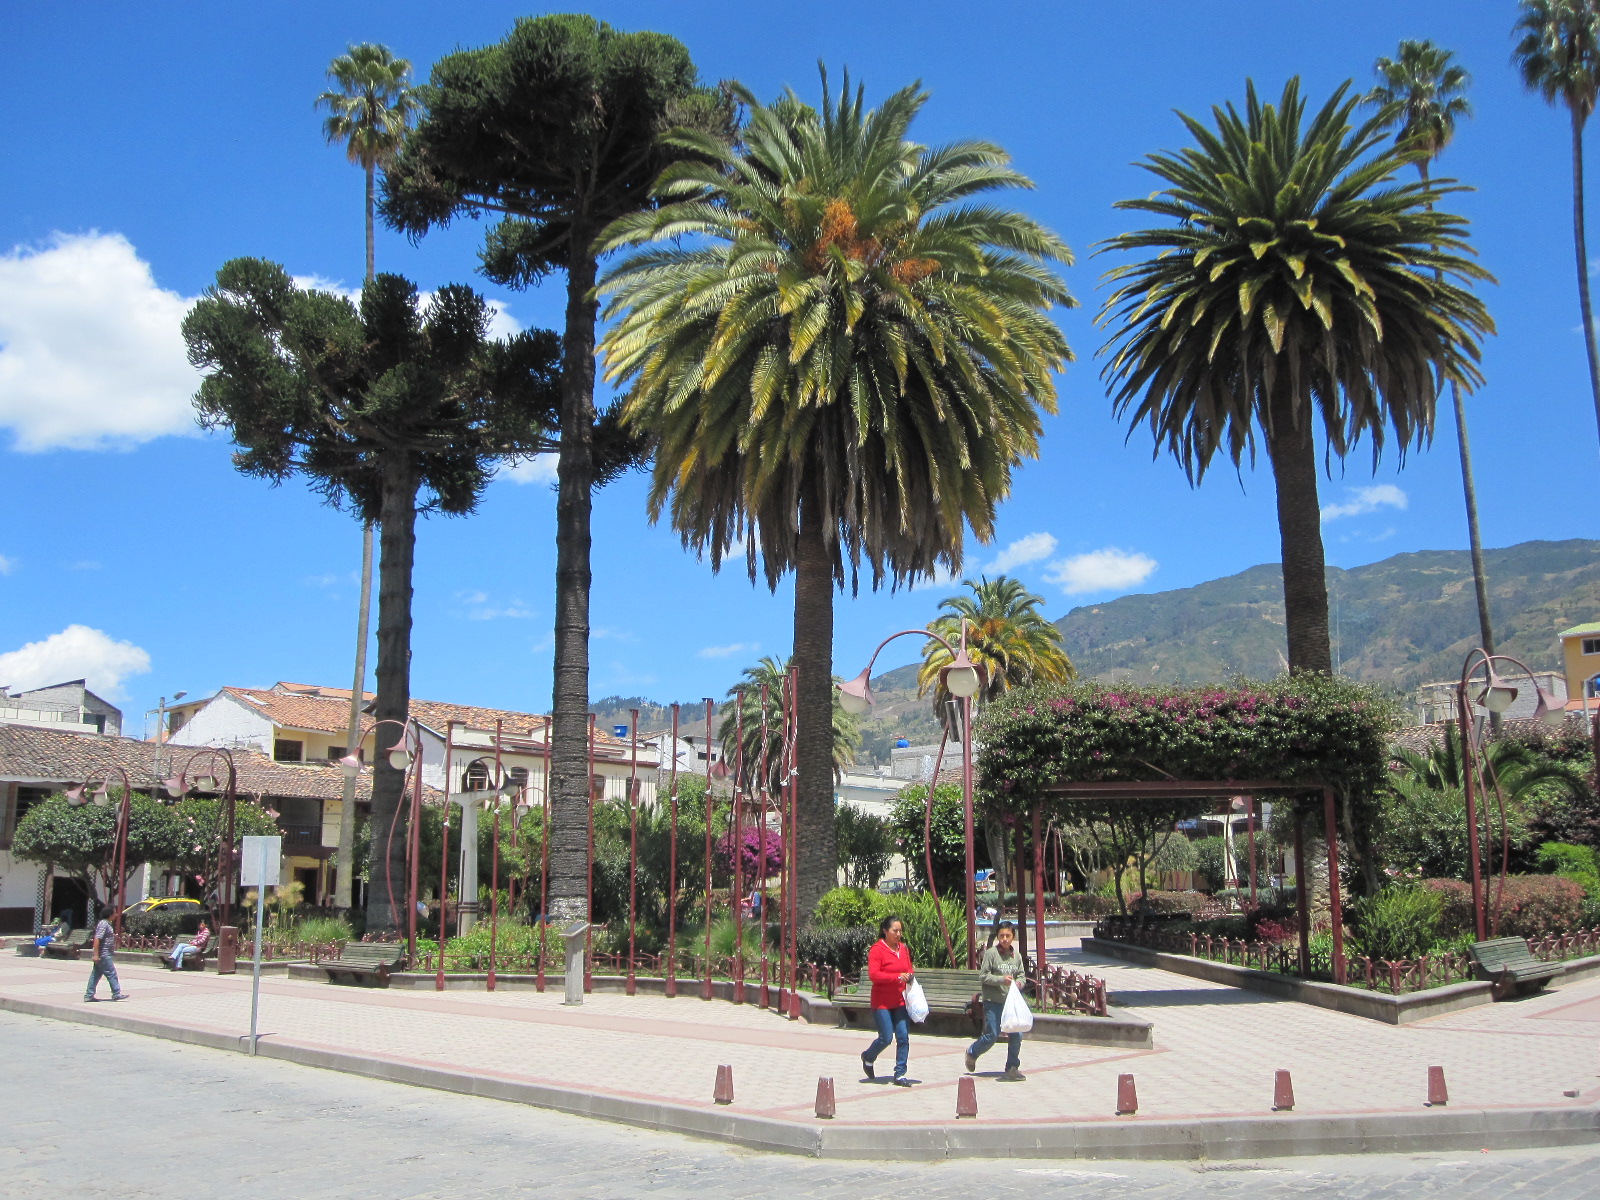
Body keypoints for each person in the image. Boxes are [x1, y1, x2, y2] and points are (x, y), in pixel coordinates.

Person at [966, 919, 1025, 1081]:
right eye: (1002, 936)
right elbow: (983, 976)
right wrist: (1000, 980)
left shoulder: (1016, 956)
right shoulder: (991, 954)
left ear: (1013, 936)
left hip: (1010, 1003)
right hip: (993, 1001)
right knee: (992, 1034)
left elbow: (1021, 975)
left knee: (1017, 1034)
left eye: (1008, 935)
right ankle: (972, 1052)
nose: (1005, 939)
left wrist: (1019, 983)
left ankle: (1012, 1067)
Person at [861, 914, 915, 1087]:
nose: (898, 934)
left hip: (900, 1000)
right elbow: (874, 975)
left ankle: (900, 1074)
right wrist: (896, 977)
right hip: (882, 1002)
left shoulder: (903, 949)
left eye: (900, 931)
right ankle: (868, 1056)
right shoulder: (877, 950)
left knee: (903, 1036)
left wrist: (908, 976)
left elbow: (908, 968)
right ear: (885, 931)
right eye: (895, 930)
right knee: (885, 1037)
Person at [84, 907, 127, 1002]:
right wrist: (96, 954)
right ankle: (116, 993)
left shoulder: (106, 924)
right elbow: (97, 939)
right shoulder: (104, 924)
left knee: (96, 975)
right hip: (104, 954)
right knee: (111, 973)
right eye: (114, 913)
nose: (115, 915)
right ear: (109, 914)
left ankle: (89, 995)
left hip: (103, 953)